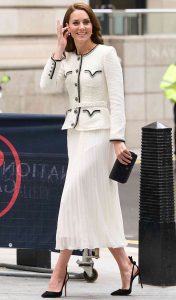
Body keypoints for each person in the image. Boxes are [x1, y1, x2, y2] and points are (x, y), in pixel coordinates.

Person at [40, 2, 143, 297]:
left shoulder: (107, 55)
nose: (81, 27)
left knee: (73, 195)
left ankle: (58, 272)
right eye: (75, 23)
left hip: (101, 136)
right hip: (75, 134)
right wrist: (58, 49)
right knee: (99, 204)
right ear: (67, 28)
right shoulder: (67, 58)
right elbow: (46, 86)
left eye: (85, 21)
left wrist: (118, 138)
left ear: (93, 24)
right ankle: (127, 267)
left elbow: (118, 100)